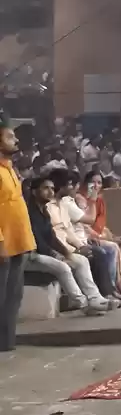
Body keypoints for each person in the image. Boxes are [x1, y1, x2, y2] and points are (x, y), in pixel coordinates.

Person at [24, 175, 111, 315]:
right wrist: (56, 255)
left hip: (46, 253)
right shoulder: (28, 213)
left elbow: (51, 237)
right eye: (45, 188)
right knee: (63, 267)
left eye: (52, 188)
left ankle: (96, 299)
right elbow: (37, 240)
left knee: (81, 261)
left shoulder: (44, 211)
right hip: (31, 256)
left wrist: (66, 253)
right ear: (34, 192)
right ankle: (82, 304)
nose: (50, 192)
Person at [77, 170, 121, 299]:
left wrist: (112, 236)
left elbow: (101, 225)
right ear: (85, 184)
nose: (96, 186)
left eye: (99, 182)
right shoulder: (80, 199)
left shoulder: (99, 200)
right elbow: (84, 225)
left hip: (98, 235)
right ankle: (112, 288)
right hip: (86, 237)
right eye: (93, 182)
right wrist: (101, 237)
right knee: (113, 248)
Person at [0, 121, 36, 352]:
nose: (16, 141)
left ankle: (6, 342)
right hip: (4, 245)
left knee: (14, 295)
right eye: (10, 137)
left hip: (20, 241)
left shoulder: (10, 168)